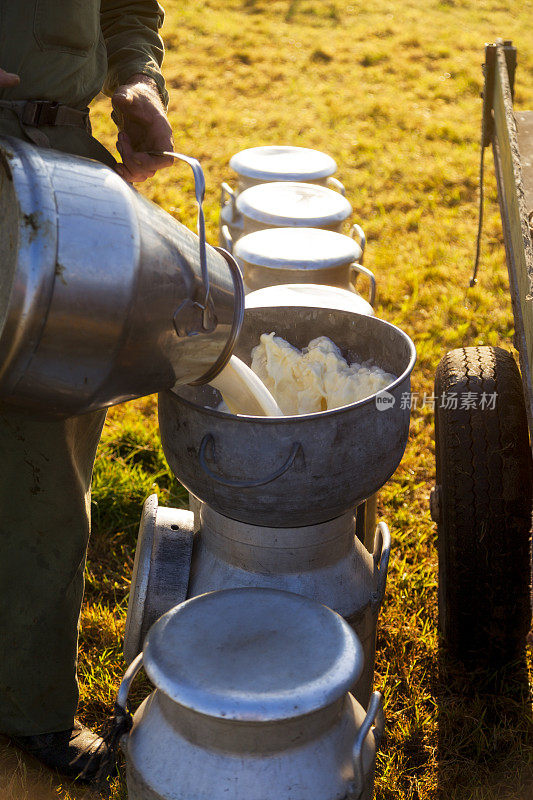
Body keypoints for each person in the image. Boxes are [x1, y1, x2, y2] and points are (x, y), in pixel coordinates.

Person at [0, 0, 173, 782]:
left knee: (49, 456)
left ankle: (27, 705)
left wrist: (135, 75)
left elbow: (127, 5)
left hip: (61, 158)